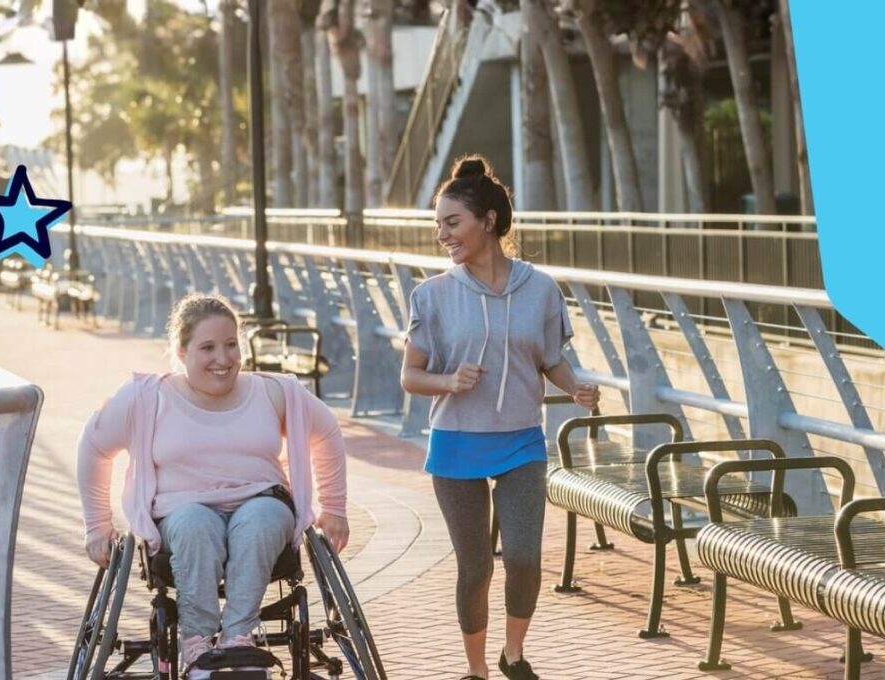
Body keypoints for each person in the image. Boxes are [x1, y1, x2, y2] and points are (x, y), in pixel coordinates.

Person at [400, 155, 601, 680]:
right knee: (476, 567)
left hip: (520, 441)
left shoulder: (541, 289)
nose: (443, 235)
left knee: (526, 559)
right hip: (457, 442)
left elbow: (550, 358)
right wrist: (449, 381)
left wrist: (574, 385)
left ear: (487, 221)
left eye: (452, 222)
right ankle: (476, 671)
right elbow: (410, 376)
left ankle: (512, 655)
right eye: (438, 225)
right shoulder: (434, 295)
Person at [77, 292, 351, 676]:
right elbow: (92, 446)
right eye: (208, 347)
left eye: (231, 345)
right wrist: (97, 526)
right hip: (181, 512)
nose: (223, 359)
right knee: (195, 524)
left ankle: (238, 639)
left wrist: (334, 507)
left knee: (260, 520)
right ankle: (197, 644)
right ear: (181, 350)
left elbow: (327, 433)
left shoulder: (273, 390)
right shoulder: (146, 397)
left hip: (262, 500)